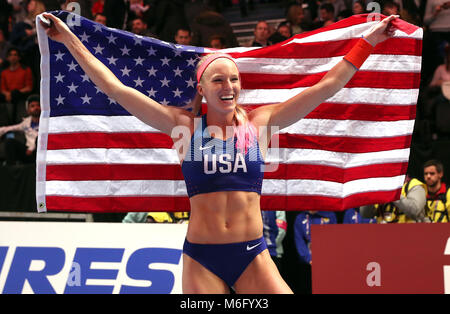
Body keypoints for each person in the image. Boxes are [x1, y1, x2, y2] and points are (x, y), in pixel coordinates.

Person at [41, 12, 399, 294]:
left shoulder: (262, 123)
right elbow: (114, 88)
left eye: (234, 80)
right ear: (202, 87)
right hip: (202, 258)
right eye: (218, 80)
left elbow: (328, 86)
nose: (229, 87)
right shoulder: (182, 126)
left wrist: (369, 41)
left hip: (252, 255)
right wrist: (69, 39)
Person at [360, 175, 428, 223]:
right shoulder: (380, 186)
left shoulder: (414, 185)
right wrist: (370, 192)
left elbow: (414, 211)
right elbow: (365, 214)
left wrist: (391, 191)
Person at [0, 94, 39, 165]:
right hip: (28, 153)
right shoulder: (26, 122)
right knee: (9, 142)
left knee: (39, 139)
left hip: (40, 152)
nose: (36, 108)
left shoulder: (46, 122)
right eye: (32, 106)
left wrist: (31, 148)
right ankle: (10, 169)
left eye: (38, 105)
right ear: (28, 110)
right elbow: (8, 128)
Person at [0, 47, 33, 123]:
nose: (13, 57)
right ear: (7, 58)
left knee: (15, 94)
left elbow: (29, 87)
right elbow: (2, 89)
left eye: (15, 55)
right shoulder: (4, 72)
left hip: (21, 94)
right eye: (10, 55)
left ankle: (14, 122)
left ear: (19, 57)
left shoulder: (25, 70)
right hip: (8, 96)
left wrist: (14, 93)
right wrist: (8, 94)